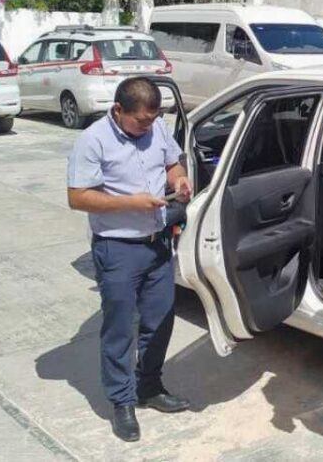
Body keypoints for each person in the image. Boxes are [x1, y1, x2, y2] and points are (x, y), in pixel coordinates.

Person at [67, 77, 193, 442]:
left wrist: (180, 180)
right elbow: (78, 197)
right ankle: (121, 402)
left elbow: (173, 163)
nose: (148, 127)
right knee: (120, 328)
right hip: (118, 248)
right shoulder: (93, 140)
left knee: (160, 320)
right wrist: (130, 202)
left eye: (153, 121)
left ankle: (149, 387)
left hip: (157, 245)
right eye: (141, 121)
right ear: (118, 111)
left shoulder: (156, 129)